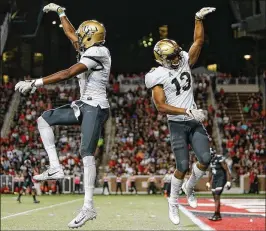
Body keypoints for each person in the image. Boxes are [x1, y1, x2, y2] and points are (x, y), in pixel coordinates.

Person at [15, 3, 111, 229]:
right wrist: (60, 11)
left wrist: (34, 83)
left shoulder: (98, 52)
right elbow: (70, 33)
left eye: (82, 34)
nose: (78, 36)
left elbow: (68, 73)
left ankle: (88, 207)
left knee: (86, 153)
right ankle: (55, 167)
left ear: (89, 37)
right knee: (44, 119)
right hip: (84, 104)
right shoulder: (90, 47)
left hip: (96, 106)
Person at [145, 7, 215, 225]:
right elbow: (161, 106)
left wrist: (198, 19)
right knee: (182, 166)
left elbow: (198, 42)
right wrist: (187, 110)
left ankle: (189, 187)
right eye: (173, 57)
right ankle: (173, 202)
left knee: (205, 158)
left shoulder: (183, 60)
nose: (178, 58)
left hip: (193, 121)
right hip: (177, 124)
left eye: (177, 54)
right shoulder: (156, 75)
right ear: (162, 59)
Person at [206, 149, 232, 221]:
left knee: (217, 195)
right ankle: (218, 214)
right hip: (215, 179)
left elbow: (227, 170)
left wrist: (228, 181)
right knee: (215, 196)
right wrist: (208, 182)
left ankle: (216, 214)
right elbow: (210, 172)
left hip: (221, 178)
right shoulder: (210, 161)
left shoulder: (220, 158)